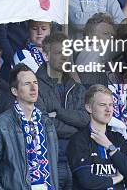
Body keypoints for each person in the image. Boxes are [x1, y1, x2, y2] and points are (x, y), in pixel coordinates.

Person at [0, 63, 59, 190]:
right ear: (14, 91)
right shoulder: (2, 124)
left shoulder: (47, 123)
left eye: (35, 83)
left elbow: (54, 165)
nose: (33, 88)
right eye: (27, 84)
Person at [36, 32, 89, 189]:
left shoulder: (77, 86)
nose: (65, 57)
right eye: (59, 53)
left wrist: (58, 112)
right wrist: (75, 126)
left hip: (77, 161)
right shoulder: (34, 85)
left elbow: (85, 120)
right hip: (49, 162)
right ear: (46, 55)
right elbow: (45, 123)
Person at [67, 84, 127, 189]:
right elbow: (87, 181)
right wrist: (117, 178)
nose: (108, 109)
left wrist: (110, 147)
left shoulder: (117, 137)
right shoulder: (78, 140)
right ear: (89, 108)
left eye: (111, 105)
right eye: (102, 105)